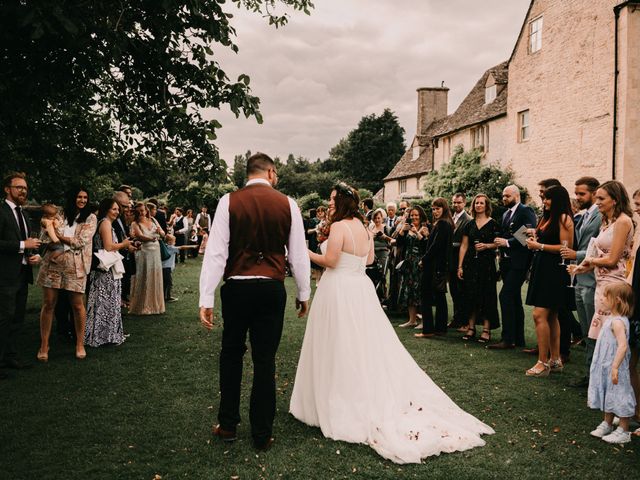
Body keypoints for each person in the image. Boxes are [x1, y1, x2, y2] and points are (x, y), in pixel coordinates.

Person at [290, 182, 494, 464]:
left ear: (344, 202)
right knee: (362, 345)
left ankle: (339, 399)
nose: (330, 202)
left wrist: (301, 253)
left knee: (338, 343)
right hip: (359, 289)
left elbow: (331, 261)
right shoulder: (362, 228)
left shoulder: (339, 228)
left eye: (334, 198)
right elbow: (370, 258)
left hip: (339, 290)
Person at [199, 152, 310, 451]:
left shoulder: (228, 201)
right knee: (265, 361)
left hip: (237, 287)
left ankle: (228, 425)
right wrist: (304, 293)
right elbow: (298, 253)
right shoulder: (288, 204)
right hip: (271, 289)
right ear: (271, 172)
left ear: (248, 173)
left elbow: (216, 253)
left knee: (231, 354)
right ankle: (262, 434)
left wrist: (206, 296)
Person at [569, 180, 634, 363]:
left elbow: (613, 259)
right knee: (599, 335)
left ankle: (609, 381)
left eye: (601, 198)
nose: (597, 202)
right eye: (596, 197)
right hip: (601, 282)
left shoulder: (622, 222)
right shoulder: (608, 222)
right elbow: (599, 255)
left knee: (609, 337)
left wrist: (590, 260)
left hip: (613, 285)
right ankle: (596, 377)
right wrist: (581, 268)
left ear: (615, 200)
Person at [37, 187, 97, 361]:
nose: (83, 200)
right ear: (72, 198)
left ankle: (80, 344)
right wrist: (52, 232)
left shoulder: (91, 218)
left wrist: (57, 236)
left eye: (85, 197)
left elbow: (80, 242)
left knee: (77, 305)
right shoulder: (59, 214)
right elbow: (45, 236)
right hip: (53, 265)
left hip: (76, 266)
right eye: (79, 197)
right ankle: (44, 345)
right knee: (49, 304)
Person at [524, 185, 574, 376]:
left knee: (539, 315)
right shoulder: (549, 218)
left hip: (555, 271)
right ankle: (555, 360)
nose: (543, 201)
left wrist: (539, 245)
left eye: (547, 198)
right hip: (543, 268)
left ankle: (542, 362)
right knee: (551, 316)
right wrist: (535, 239)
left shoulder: (563, 218)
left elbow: (564, 249)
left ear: (558, 200)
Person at [559, 177, 602, 387]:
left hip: (593, 279)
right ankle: (589, 374)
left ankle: (595, 377)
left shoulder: (600, 216)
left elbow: (601, 249)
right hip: (579, 277)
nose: (577, 198)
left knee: (594, 332)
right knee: (586, 332)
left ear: (594, 193)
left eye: (581, 194)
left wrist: (576, 254)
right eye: (576, 193)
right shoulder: (584, 216)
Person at [0, 172, 41, 378]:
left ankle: (11, 356)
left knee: (17, 317)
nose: (23, 191)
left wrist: (33, 255)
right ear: (7, 189)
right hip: (4, 276)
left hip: (22, 274)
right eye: (18, 187)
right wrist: (23, 245)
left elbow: (29, 243)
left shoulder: (24, 214)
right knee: (3, 318)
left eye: (25, 188)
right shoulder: (1, 212)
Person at [587, 282, 636, 444]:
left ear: (617, 301)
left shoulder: (618, 322)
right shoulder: (611, 318)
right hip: (606, 365)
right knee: (609, 392)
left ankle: (623, 429)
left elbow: (622, 345)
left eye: (605, 296)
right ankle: (608, 423)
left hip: (616, 366)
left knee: (620, 394)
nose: (601, 298)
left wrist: (615, 367)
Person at [491, 185, 537, 349]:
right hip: (506, 262)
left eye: (507, 196)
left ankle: (507, 339)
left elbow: (529, 232)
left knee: (505, 296)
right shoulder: (505, 214)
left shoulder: (526, 210)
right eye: (503, 196)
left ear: (516, 196)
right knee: (514, 299)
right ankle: (518, 339)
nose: (504, 199)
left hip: (519, 262)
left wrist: (507, 242)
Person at [85, 199, 130, 347]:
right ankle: (100, 336)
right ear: (106, 209)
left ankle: (109, 334)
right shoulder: (104, 223)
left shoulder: (107, 223)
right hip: (105, 269)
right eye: (114, 209)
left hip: (110, 268)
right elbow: (109, 247)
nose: (117, 212)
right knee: (103, 302)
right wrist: (124, 244)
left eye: (118, 209)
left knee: (109, 302)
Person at [457, 194, 500, 343]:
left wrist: (487, 246)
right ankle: (471, 328)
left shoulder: (493, 223)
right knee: (471, 296)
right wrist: (460, 266)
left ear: (486, 206)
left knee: (487, 296)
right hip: (470, 264)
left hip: (487, 264)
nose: (479, 205)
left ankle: (486, 330)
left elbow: (498, 243)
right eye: (476, 203)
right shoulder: (469, 224)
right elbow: (464, 245)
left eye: (482, 203)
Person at [416, 197, 453, 338]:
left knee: (426, 297)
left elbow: (436, 246)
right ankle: (440, 329)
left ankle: (428, 330)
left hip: (434, 266)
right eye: (433, 209)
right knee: (439, 297)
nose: (435, 211)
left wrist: (423, 260)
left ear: (444, 209)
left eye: (438, 208)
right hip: (439, 266)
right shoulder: (445, 223)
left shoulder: (443, 224)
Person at [128, 202, 165, 315]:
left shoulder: (153, 220)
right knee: (144, 275)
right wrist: (153, 238)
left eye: (143, 210)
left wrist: (160, 232)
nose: (141, 213)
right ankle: (143, 306)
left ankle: (156, 305)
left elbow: (163, 234)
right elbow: (140, 236)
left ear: (146, 210)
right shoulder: (135, 223)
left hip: (155, 251)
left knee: (155, 275)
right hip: (143, 252)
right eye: (139, 211)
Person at [397, 206, 429, 328]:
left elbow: (427, 246)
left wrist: (418, 233)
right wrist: (402, 232)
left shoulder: (425, 228)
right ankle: (412, 320)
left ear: (421, 216)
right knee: (408, 290)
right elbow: (399, 244)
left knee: (419, 291)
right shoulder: (407, 228)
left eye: (416, 215)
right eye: (412, 215)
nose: (414, 217)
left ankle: (423, 320)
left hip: (420, 263)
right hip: (409, 263)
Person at [448, 193, 471, 330]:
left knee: (462, 291)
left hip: (461, 258)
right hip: (451, 258)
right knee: (454, 291)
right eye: (454, 202)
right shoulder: (451, 218)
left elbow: (465, 242)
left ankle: (465, 321)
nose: (456, 205)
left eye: (459, 202)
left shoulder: (467, 219)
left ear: (464, 203)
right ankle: (456, 319)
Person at [162, 234, 198, 302]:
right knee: (169, 283)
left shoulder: (165, 247)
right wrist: (192, 246)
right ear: (169, 242)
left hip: (164, 267)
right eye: (174, 241)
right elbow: (182, 247)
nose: (175, 243)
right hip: (167, 268)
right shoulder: (171, 248)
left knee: (165, 283)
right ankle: (167, 297)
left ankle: (164, 296)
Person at [368, 208, 393, 299]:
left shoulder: (386, 228)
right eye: (375, 218)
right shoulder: (371, 228)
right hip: (373, 253)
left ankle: (384, 295)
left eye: (378, 218)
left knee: (382, 274)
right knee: (373, 273)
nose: (377, 220)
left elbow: (391, 241)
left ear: (382, 218)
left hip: (383, 252)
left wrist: (384, 236)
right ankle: (375, 294)